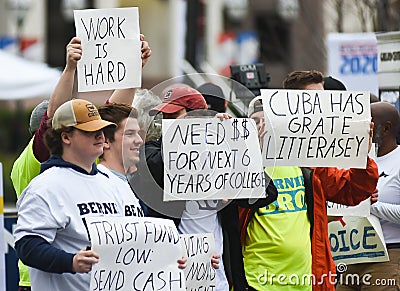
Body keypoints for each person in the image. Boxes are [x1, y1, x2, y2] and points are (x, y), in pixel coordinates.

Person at [10, 35, 151, 291]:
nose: (100, 136)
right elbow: (57, 117)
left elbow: (113, 111)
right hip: (42, 281)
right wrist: (70, 68)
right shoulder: (38, 167)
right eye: (89, 131)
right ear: (61, 135)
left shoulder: (105, 179)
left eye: (100, 130)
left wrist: (131, 68)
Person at [241, 70, 379, 291]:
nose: (322, 108)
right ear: (290, 107)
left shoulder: (312, 164)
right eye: (315, 101)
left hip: (306, 282)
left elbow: (352, 191)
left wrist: (362, 154)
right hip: (258, 283)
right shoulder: (251, 160)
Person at [132, 86, 278, 290]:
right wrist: (192, 142)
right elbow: (156, 169)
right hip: (173, 277)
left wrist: (232, 141)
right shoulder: (153, 149)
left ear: (198, 116)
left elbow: (268, 193)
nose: (167, 122)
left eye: (174, 115)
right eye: (164, 116)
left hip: (220, 278)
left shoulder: (222, 155)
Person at [336, 101, 400, 290]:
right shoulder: (353, 159)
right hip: (350, 255)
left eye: (367, 125)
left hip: (388, 256)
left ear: (386, 128)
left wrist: (371, 204)